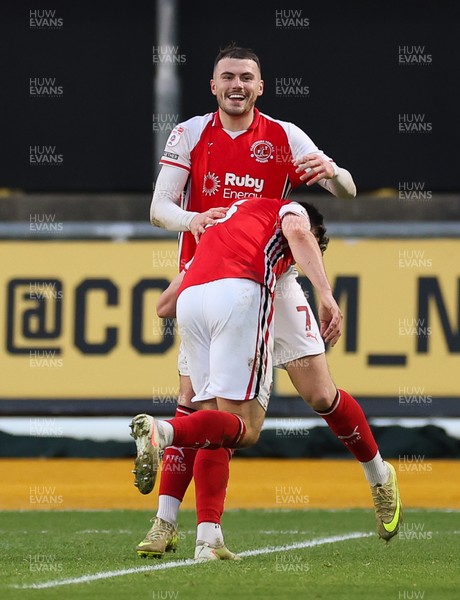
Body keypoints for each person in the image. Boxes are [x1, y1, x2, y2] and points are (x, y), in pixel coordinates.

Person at [138, 43, 402, 558]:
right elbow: (158, 207)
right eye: (227, 77)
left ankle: (378, 474)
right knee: (200, 400)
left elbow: (345, 189)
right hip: (209, 275)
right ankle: (172, 524)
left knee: (320, 394)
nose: (237, 85)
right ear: (212, 85)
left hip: (271, 281)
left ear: (261, 87)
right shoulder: (190, 132)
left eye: (247, 78)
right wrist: (193, 221)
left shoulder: (283, 135)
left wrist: (333, 171)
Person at [131, 195, 342, 560]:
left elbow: (163, 305)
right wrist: (325, 294)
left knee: (214, 425)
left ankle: (208, 540)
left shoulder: (221, 227)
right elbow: (297, 230)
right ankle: (164, 432)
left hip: (192, 302)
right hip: (240, 293)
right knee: (245, 428)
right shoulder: (288, 209)